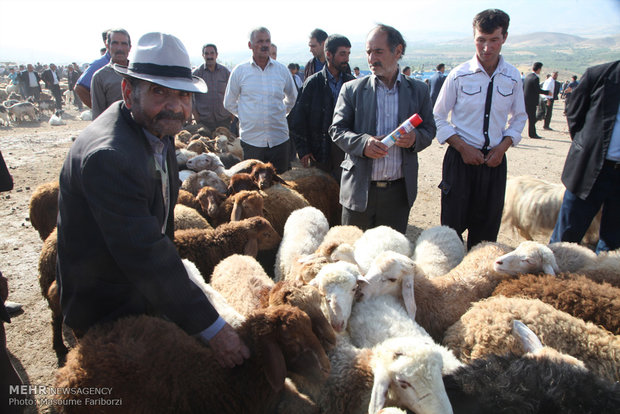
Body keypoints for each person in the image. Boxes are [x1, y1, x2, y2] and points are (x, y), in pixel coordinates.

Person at [56, 32, 250, 369]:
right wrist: (215, 330)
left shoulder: (156, 132)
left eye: (182, 94)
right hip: (108, 306)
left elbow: (158, 226)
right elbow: (144, 252)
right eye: (159, 92)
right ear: (129, 92)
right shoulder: (111, 156)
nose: (175, 105)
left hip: (137, 289)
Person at [434, 9, 527, 250]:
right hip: (460, 162)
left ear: (504, 37)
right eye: (481, 40)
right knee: (451, 233)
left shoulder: (513, 77)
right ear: (473, 37)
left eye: (493, 40)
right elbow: (438, 116)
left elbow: (519, 118)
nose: (486, 47)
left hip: (494, 163)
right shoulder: (458, 75)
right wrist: (462, 147)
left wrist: (503, 148)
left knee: (485, 235)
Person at [330, 24, 435, 234]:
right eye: (369, 52)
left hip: (398, 195)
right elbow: (337, 130)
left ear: (398, 51)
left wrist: (414, 138)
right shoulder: (352, 90)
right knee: (353, 257)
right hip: (360, 192)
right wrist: (364, 144)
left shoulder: (419, 91)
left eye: (378, 51)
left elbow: (429, 130)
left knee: (390, 259)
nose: (371, 58)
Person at [550, 60, 620, 253]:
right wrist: (587, 146)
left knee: (613, 244)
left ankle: (601, 280)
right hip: (591, 169)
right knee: (566, 238)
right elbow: (574, 113)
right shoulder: (599, 75)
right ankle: (551, 281)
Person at [224, 27, 298, 173]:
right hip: (252, 141)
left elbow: (292, 97)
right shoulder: (240, 71)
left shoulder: (281, 70)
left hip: (279, 140)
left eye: (267, 41)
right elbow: (229, 102)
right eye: (260, 41)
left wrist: (282, 112)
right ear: (250, 45)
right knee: (254, 186)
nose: (264, 45)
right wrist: (246, 116)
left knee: (281, 184)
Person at [291, 34, 355, 181]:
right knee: (322, 193)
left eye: (348, 54)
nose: (346, 59)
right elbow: (298, 118)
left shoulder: (352, 84)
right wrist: (304, 149)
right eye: (342, 54)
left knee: (345, 193)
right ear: (329, 54)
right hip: (319, 150)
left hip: (345, 150)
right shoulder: (313, 83)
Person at [91, 29, 131, 119]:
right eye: (115, 43)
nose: (119, 48)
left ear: (130, 47)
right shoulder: (100, 77)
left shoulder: (139, 74)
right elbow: (98, 115)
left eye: (124, 44)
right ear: (107, 46)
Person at [192, 43, 233, 131]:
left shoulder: (225, 72)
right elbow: (190, 98)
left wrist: (232, 115)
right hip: (204, 121)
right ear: (203, 55)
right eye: (206, 53)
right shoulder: (197, 74)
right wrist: (196, 116)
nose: (209, 56)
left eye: (212, 53)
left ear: (216, 55)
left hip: (223, 120)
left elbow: (233, 93)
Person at [74, 30, 112, 108]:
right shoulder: (99, 64)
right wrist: (99, 110)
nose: (120, 46)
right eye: (115, 42)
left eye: (124, 43)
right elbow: (80, 89)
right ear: (106, 43)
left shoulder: (124, 63)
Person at [523, 62, 549, 139]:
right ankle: (532, 134)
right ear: (539, 69)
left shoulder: (528, 76)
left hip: (525, 100)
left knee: (526, 118)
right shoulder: (536, 78)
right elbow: (537, 90)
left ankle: (532, 133)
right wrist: (547, 92)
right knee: (532, 118)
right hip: (531, 101)